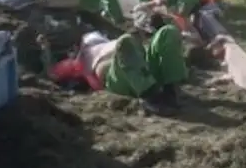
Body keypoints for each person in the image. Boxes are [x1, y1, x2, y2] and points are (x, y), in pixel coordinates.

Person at [39, 12, 188, 114]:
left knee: (168, 31)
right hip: (120, 80)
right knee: (126, 41)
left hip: (143, 69)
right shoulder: (79, 59)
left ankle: (170, 91)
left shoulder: (109, 41)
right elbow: (52, 73)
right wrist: (45, 49)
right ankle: (150, 98)